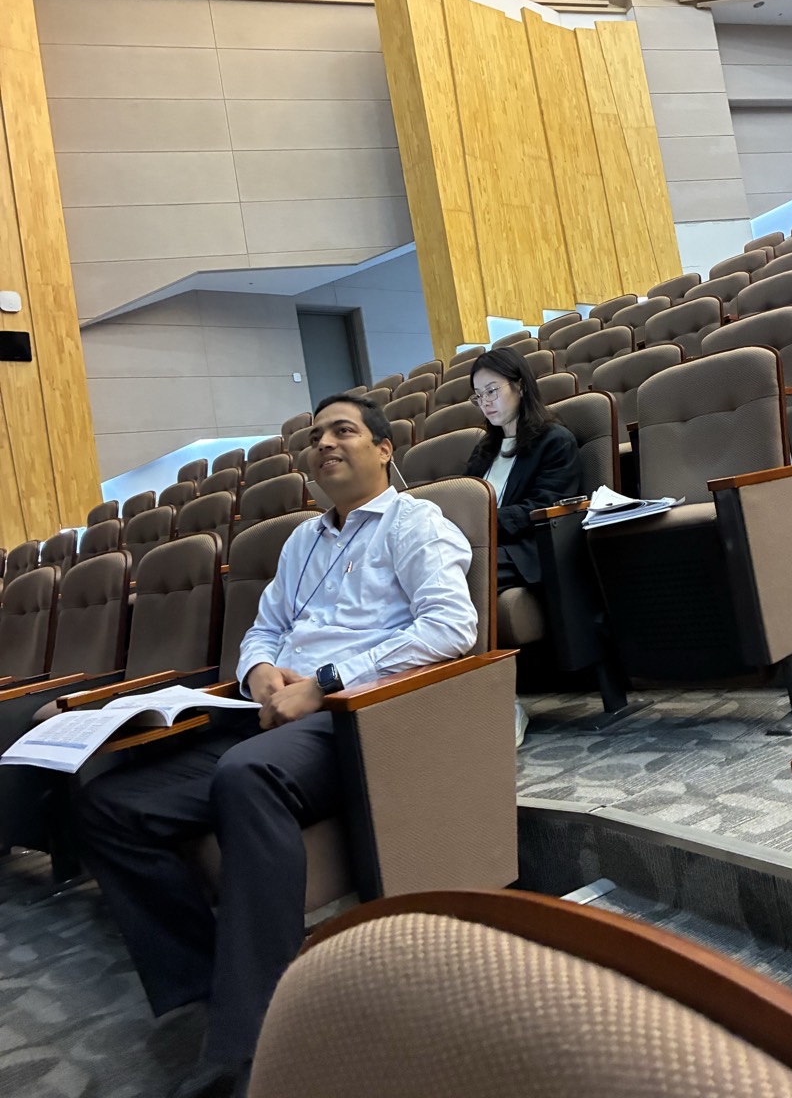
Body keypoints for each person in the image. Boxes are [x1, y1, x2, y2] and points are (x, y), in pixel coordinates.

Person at [75, 395, 478, 1098]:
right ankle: (205, 984)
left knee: (246, 775)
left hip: (357, 714)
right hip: (269, 711)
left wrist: (323, 685)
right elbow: (263, 630)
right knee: (109, 802)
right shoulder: (302, 542)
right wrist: (260, 671)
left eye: (343, 431)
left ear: (384, 448)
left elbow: (450, 628)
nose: (325, 443)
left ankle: (251, 1043)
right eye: (315, 435)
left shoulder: (416, 523)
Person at [464, 347, 582, 747]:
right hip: (484, 547)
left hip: (529, 550)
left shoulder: (554, 441)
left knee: (465, 578)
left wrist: (484, 523)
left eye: (492, 391)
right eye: (478, 396)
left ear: (520, 386)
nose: (486, 402)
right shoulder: (484, 450)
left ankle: (503, 700)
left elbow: (543, 506)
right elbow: (466, 498)